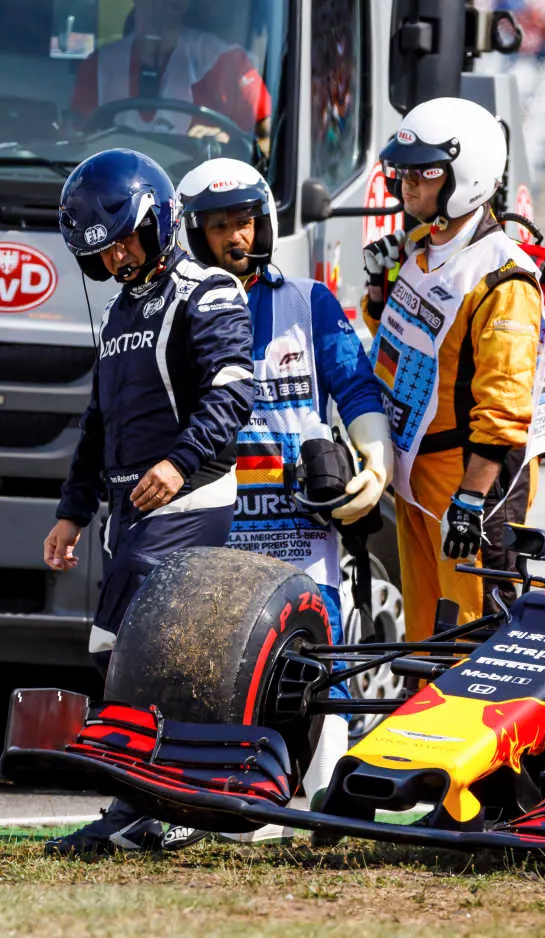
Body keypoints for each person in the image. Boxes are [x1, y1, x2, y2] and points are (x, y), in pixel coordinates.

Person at [42, 148, 255, 855]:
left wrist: (178, 462)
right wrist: (73, 510)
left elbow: (233, 395)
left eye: (126, 240)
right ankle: (155, 800)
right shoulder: (118, 309)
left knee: (132, 648)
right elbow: (97, 423)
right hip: (127, 507)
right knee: (134, 653)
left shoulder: (209, 290)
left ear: (157, 220)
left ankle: (148, 804)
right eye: (102, 252)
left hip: (192, 495)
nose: (118, 258)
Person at [361, 97, 545, 640]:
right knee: (423, 637)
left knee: (475, 638)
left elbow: (504, 404)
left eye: (423, 172)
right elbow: (399, 341)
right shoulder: (419, 248)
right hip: (417, 473)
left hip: (470, 482)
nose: (406, 184)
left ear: (466, 177)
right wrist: (379, 289)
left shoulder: (503, 278)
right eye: (403, 171)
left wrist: (471, 500)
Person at [175, 158, 390, 651]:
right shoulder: (174, 312)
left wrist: (377, 464)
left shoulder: (309, 301)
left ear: (264, 224)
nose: (235, 237)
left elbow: (357, 388)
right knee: (212, 671)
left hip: (300, 534)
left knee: (318, 672)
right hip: (209, 536)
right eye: (219, 226)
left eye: (244, 222)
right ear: (195, 234)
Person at [70, 0, 271, 153]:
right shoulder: (99, 64)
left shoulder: (228, 61)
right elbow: (74, 142)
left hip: (200, 190)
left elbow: (269, 140)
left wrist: (228, 144)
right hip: (115, 188)